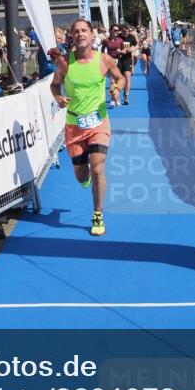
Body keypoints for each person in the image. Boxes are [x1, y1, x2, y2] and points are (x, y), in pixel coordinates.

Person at [49, 18, 126, 236]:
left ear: (92, 35)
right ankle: (87, 178)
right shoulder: (64, 62)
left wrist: (116, 88)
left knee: (98, 167)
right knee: (81, 176)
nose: (81, 34)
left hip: (98, 122)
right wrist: (58, 97)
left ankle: (98, 215)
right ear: (71, 36)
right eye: (76, 31)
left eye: (85, 30)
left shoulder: (105, 60)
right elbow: (54, 85)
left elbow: (119, 79)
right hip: (74, 126)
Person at [101, 25, 127, 107]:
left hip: (118, 61)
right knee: (112, 81)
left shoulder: (120, 40)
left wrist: (121, 51)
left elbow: (124, 50)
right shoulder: (106, 41)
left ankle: (117, 97)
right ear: (110, 31)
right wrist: (104, 57)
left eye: (117, 30)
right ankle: (112, 99)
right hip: (109, 62)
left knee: (118, 81)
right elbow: (102, 50)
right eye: (115, 30)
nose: (116, 32)